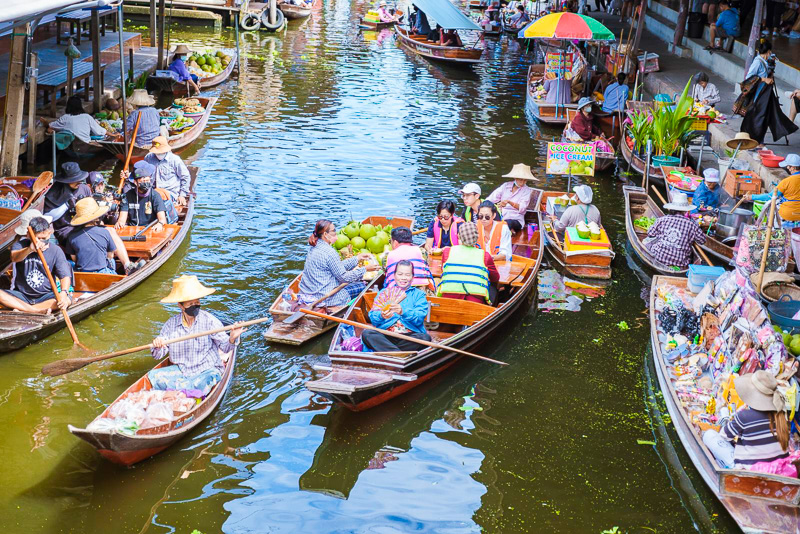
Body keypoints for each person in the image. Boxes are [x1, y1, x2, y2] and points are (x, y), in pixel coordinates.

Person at [150, 275, 244, 394]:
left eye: (197, 302)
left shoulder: (209, 320)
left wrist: (231, 338)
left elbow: (225, 347)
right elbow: (158, 355)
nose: (195, 306)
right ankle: (186, 390)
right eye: (190, 304)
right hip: (183, 371)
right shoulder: (170, 325)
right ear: (180, 305)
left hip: (207, 370)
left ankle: (183, 391)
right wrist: (158, 345)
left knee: (205, 382)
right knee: (153, 376)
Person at [703, 371, 790, 470]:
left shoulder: (744, 416)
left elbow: (724, 436)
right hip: (776, 470)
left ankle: (725, 469)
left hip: (750, 473)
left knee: (709, 434)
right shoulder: (783, 417)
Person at [0, 215, 73, 314]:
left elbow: (65, 276)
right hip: (22, 296)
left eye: (45, 238)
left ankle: (26, 309)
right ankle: (35, 310)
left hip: (45, 296)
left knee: (66, 300)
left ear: (49, 233)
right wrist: (29, 249)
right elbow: (14, 257)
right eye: (38, 238)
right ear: (29, 235)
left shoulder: (56, 250)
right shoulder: (20, 245)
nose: (42, 241)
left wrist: (64, 293)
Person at [297, 219, 379, 307]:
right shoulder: (330, 252)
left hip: (308, 293)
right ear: (325, 234)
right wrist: (365, 269)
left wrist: (357, 258)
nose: (336, 233)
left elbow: (337, 267)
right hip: (325, 298)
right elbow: (344, 277)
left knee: (355, 279)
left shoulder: (314, 247)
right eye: (333, 231)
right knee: (362, 285)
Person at [363, 260, 432, 352]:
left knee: (425, 338)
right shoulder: (384, 293)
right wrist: (381, 315)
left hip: (410, 336)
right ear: (394, 275)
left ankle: (389, 352)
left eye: (407, 275)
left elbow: (419, 318)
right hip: (387, 335)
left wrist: (403, 311)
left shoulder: (418, 295)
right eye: (400, 274)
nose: (403, 278)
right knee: (367, 334)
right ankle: (398, 353)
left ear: (412, 277)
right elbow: (373, 318)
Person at [740, 40, 798, 146]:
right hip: (759, 94)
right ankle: (755, 140)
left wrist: (770, 73)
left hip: (766, 94)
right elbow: (749, 78)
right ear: (768, 51)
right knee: (759, 116)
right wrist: (763, 79)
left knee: (768, 115)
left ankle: (759, 140)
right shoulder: (758, 62)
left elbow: (767, 73)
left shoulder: (764, 61)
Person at [68, 197, 145, 275]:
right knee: (111, 261)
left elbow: (74, 259)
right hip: (103, 272)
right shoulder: (105, 232)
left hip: (82, 273)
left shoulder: (72, 236)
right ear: (96, 217)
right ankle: (127, 268)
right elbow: (110, 255)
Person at [437, 222, 500, 305]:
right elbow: (495, 278)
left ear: (459, 236)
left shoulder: (447, 251)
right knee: (494, 289)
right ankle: (492, 308)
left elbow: (444, 270)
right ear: (477, 238)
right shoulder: (485, 255)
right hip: (475, 302)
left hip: (448, 299)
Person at [644, 192, 707, 268]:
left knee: (647, 243)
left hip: (659, 257)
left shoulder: (662, 220)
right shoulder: (692, 224)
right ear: (685, 211)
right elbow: (702, 241)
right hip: (680, 262)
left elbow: (650, 233)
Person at [131, 136, 191, 206]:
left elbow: (185, 177)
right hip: (151, 190)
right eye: (157, 153)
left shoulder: (175, 160)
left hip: (169, 193)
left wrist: (182, 195)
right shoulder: (149, 158)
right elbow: (142, 173)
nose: (159, 154)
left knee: (156, 200)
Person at [43, 161, 93, 246]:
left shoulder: (85, 189)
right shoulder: (54, 195)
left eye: (79, 179)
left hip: (84, 225)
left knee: (106, 233)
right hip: (65, 229)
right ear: (65, 181)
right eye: (75, 180)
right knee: (84, 241)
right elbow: (48, 218)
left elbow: (93, 209)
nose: (79, 181)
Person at [746, 153, 800, 227]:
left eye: (788, 166)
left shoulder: (786, 182)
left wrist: (752, 197)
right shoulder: (785, 183)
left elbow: (770, 196)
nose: (787, 168)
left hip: (787, 216)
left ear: (793, 167)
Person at [115, 162, 170, 232]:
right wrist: (120, 223)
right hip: (132, 229)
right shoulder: (127, 196)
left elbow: (162, 219)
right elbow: (122, 218)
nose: (145, 184)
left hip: (150, 229)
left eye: (147, 181)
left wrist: (160, 224)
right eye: (142, 181)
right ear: (135, 182)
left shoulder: (155, 196)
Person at [486, 163, 536, 234]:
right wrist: (495, 205)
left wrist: (509, 202)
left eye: (525, 180)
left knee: (507, 223)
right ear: (515, 178)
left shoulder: (527, 190)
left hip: (516, 219)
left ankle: (502, 235)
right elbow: (491, 199)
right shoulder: (505, 186)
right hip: (501, 215)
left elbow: (522, 207)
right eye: (521, 179)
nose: (523, 182)